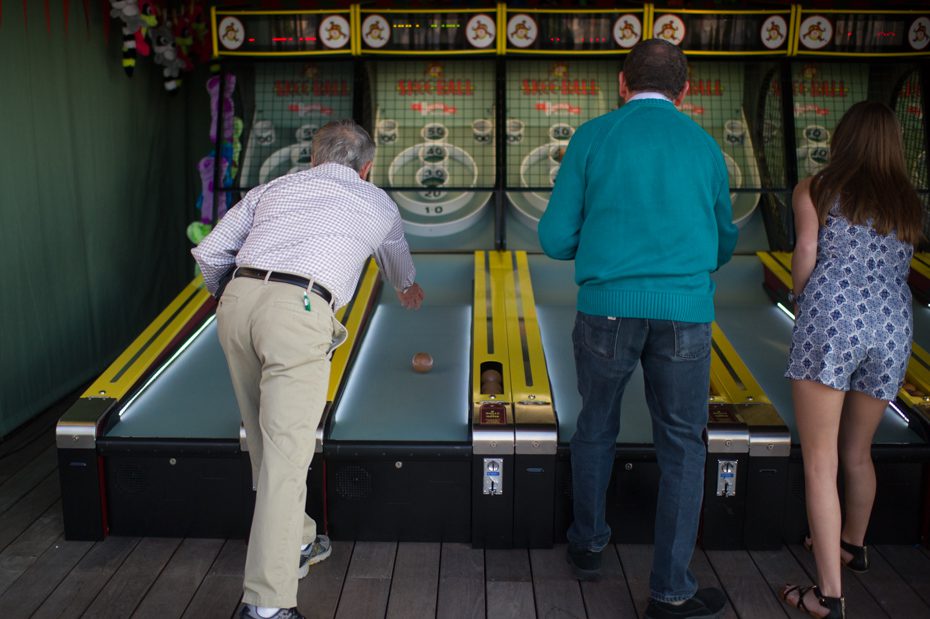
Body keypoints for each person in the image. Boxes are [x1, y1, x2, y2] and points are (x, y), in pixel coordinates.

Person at [192, 119, 424, 619]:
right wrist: (407, 286)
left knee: (264, 442)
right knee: (286, 458)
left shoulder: (272, 187)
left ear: (313, 159)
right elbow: (395, 257)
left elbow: (211, 252)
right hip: (299, 309)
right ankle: (267, 606)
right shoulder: (377, 201)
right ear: (366, 168)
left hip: (238, 301)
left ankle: (297, 540)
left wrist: (231, 297)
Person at [538, 39, 738, 619]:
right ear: (686, 90)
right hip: (685, 314)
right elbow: (724, 242)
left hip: (606, 309)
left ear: (623, 84)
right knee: (681, 445)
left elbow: (554, 238)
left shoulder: (593, 137)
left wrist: (598, 245)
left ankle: (587, 545)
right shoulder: (704, 148)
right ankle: (670, 588)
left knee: (595, 425)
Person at [781, 101, 922, 619]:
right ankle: (852, 546)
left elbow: (806, 253)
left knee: (821, 462)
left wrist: (802, 300)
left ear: (843, 139)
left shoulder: (816, 188)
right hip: (892, 323)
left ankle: (828, 597)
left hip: (833, 319)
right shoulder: (908, 202)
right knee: (858, 451)